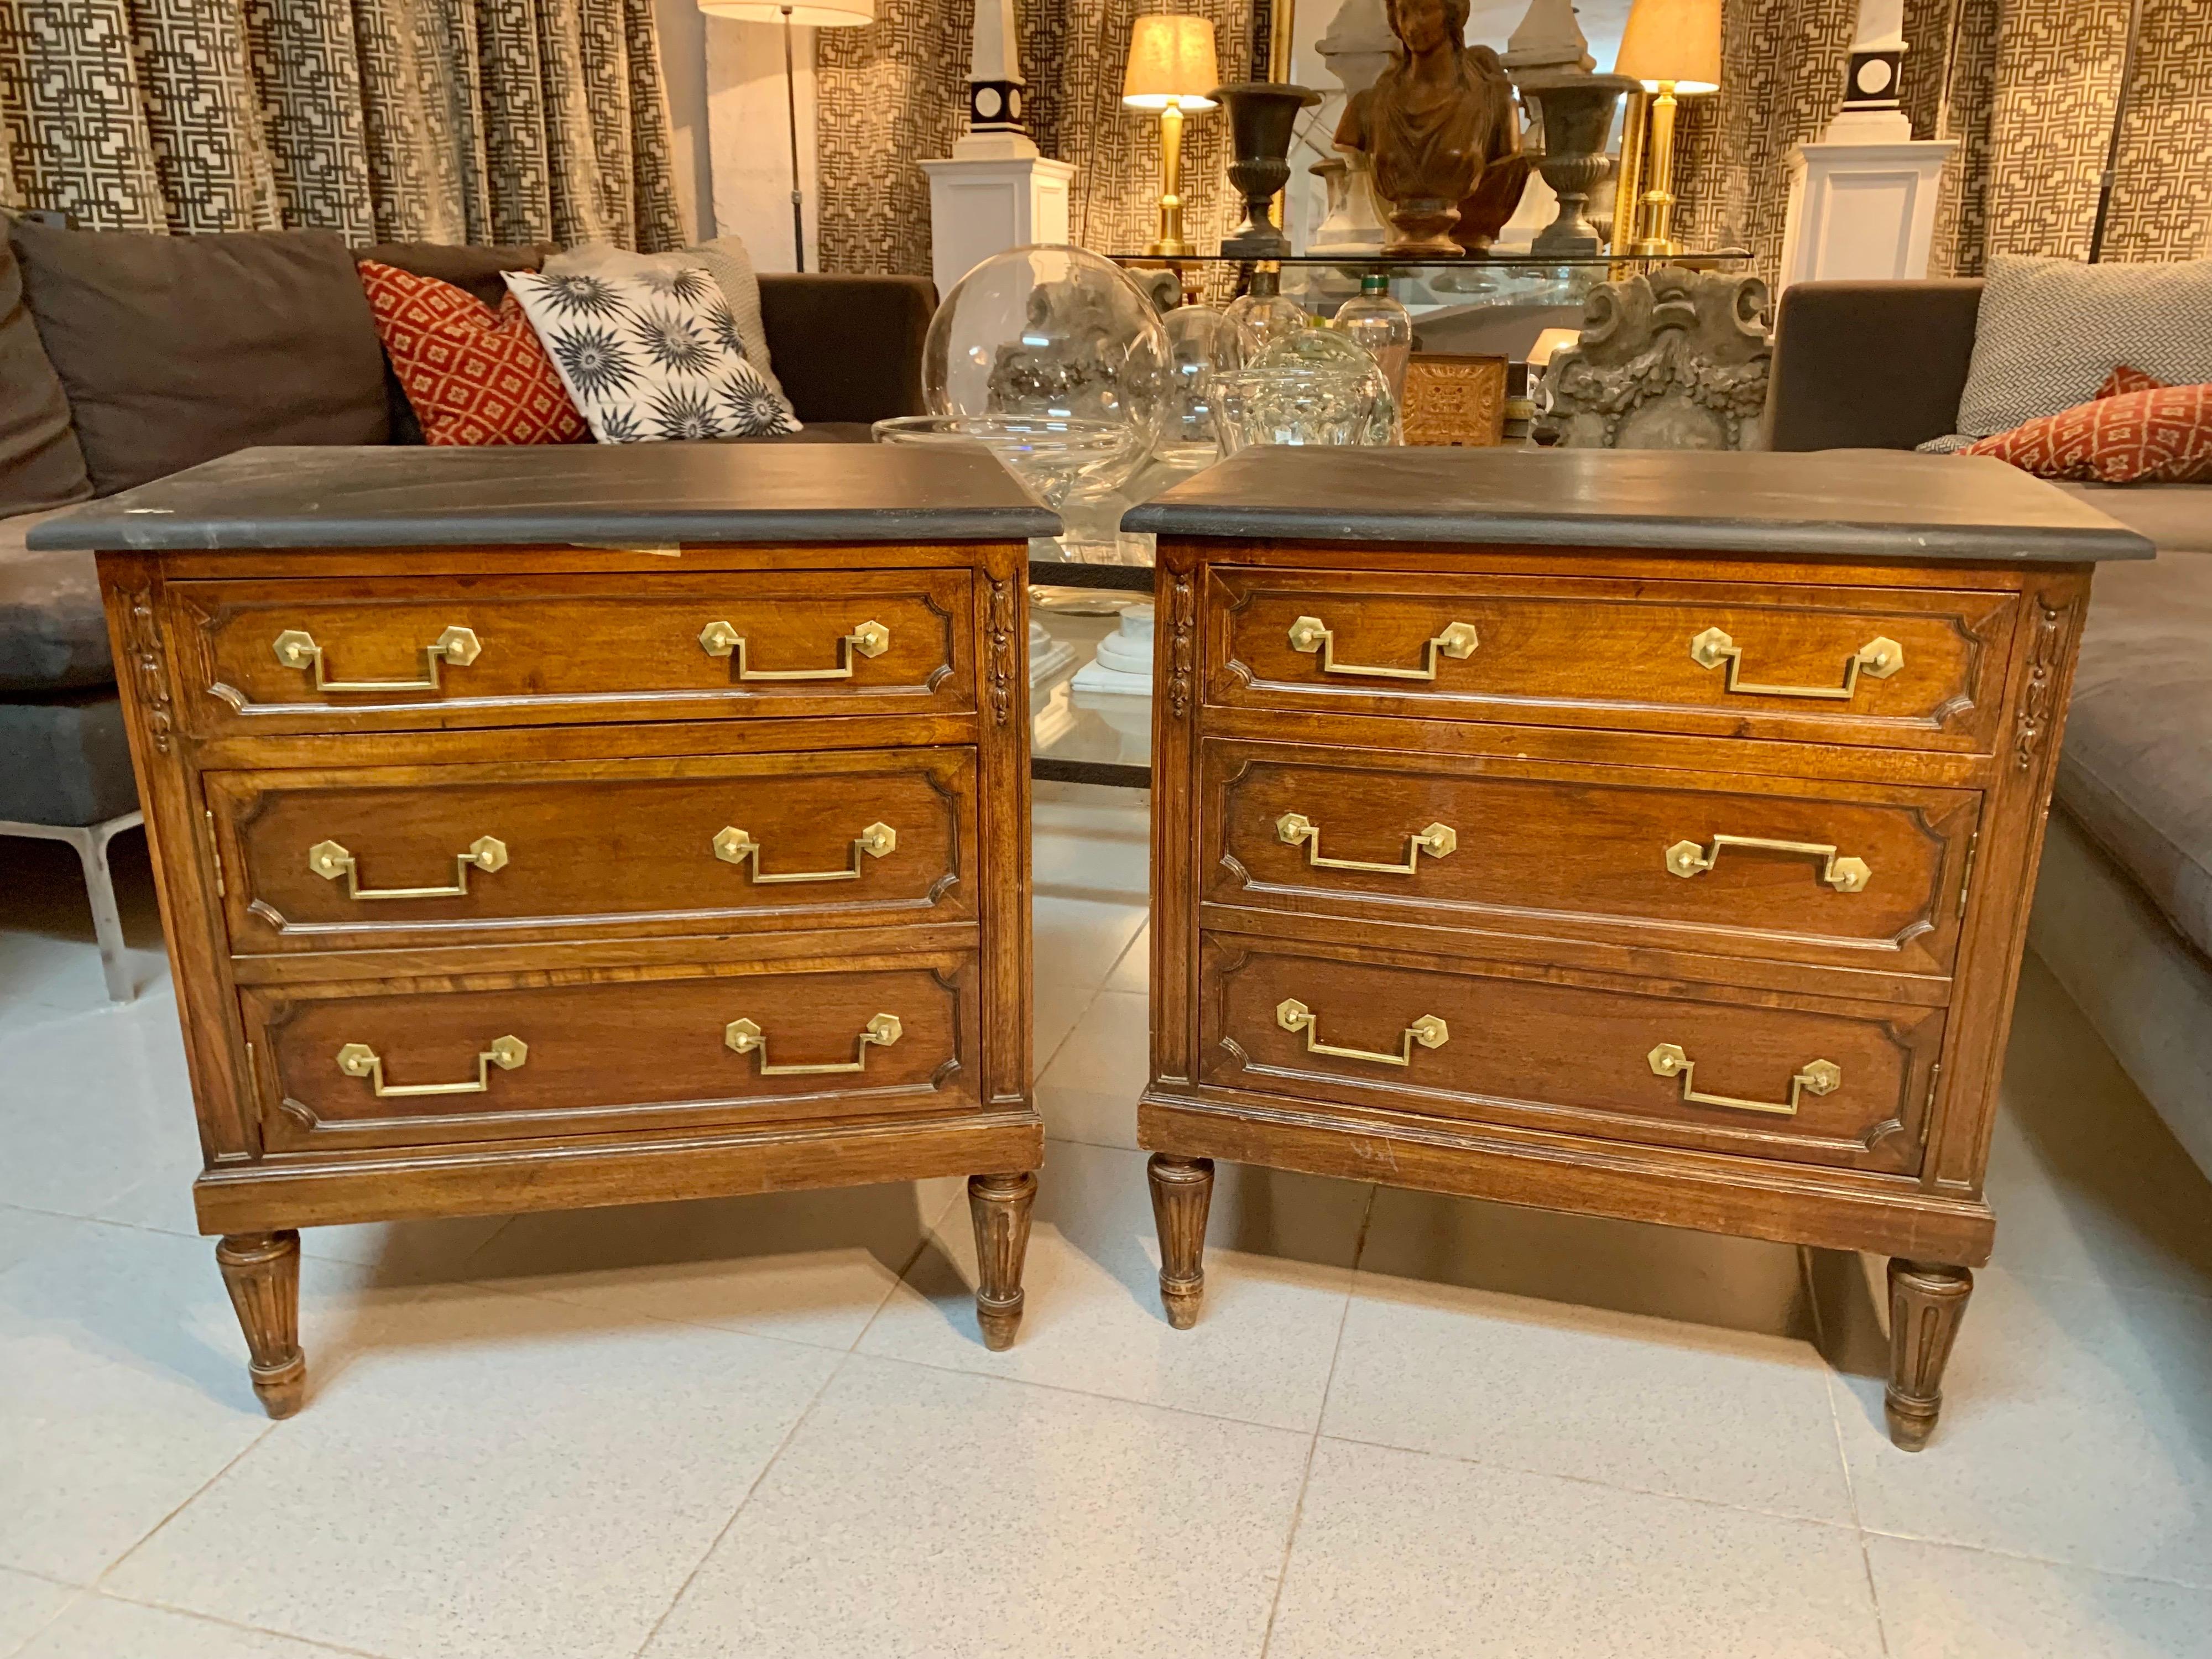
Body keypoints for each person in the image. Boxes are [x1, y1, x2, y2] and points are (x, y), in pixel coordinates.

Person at [1336, 0, 1522, 254]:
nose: (1412, 25)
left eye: (1425, 10)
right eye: (1404, 12)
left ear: (1453, 14)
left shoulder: (1495, 102)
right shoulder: (1368, 105)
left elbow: (1508, 153)